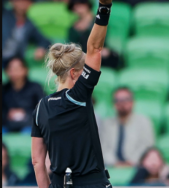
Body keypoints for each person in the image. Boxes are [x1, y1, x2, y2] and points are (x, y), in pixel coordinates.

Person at [31, 0, 114, 187]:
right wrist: (104, 7)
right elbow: (95, 48)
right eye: (84, 67)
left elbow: (37, 162)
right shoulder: (79, 95)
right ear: (73, 73)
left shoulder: (40, 107)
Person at [99, 87, 155, 167]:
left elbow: (147, 146)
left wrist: (132, 161)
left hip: (137, 166)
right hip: (111, 166)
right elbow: (102, 148)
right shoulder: (106, 124)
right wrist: (114, 162)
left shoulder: (144, 121)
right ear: (113, 104)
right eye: (117, 100)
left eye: (125, 99)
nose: (122, 103)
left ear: (133, 102)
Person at [68, 0, 121, 69]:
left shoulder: (100, 22)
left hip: (99, 51)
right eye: (75, 7)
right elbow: (73, 46)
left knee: (111, 56)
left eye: (80, 5)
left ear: (87, 5)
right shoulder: (73, 28)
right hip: (83, 56)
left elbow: (104, 40)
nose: (78, 9)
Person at [2, 0, 51, 68]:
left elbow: (45, 41)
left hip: (13, 61)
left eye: (26, 2)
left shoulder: (29, 24)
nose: (22, 4)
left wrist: (42, 48)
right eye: (20, 1)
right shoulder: (4, 14)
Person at [2, 56, 45, 134]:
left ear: (25, 70)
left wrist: (25, 113)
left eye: (16, 69)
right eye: (10, 69)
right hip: (7, 125)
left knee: (30, 132)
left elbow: (42, 109)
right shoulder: (4, 89)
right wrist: (8, 113)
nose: (13, 72)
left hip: (29, 124)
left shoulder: (36, 87)